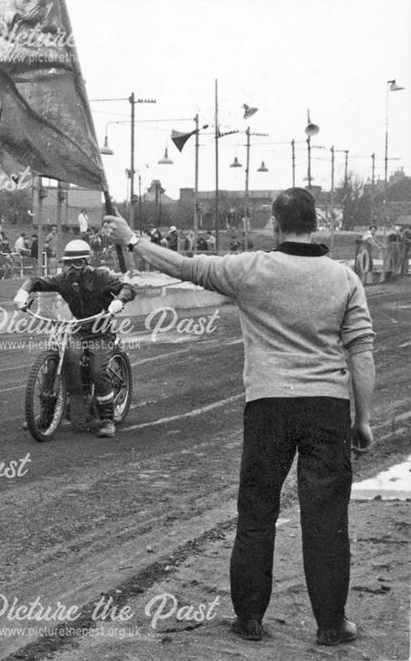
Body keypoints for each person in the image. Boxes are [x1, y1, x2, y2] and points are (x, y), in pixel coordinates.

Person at [101, 187, 375, 647]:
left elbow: (183, 266)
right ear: (316, 225)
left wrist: (132, 240)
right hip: (327, 406)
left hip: (267, 406)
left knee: (256, 513)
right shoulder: (345, 279)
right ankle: (331, 624)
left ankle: (249, 619)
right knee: (326, 519)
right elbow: (361, 353)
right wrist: (362, 420)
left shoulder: (249, 269)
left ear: (274, 223)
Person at [12, 239, 136, 437]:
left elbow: (128, 287)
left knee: (97, 370)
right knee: (59, 360)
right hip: (78, 329)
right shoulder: (63, 280)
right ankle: (47, 414)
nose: (71, 268)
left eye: (76, 263)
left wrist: (118, 301)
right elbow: (37, 280)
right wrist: (23, 292)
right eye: (67, 263)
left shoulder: (100, 277)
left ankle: (107, 419)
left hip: (101, 332)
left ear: (85, 263)